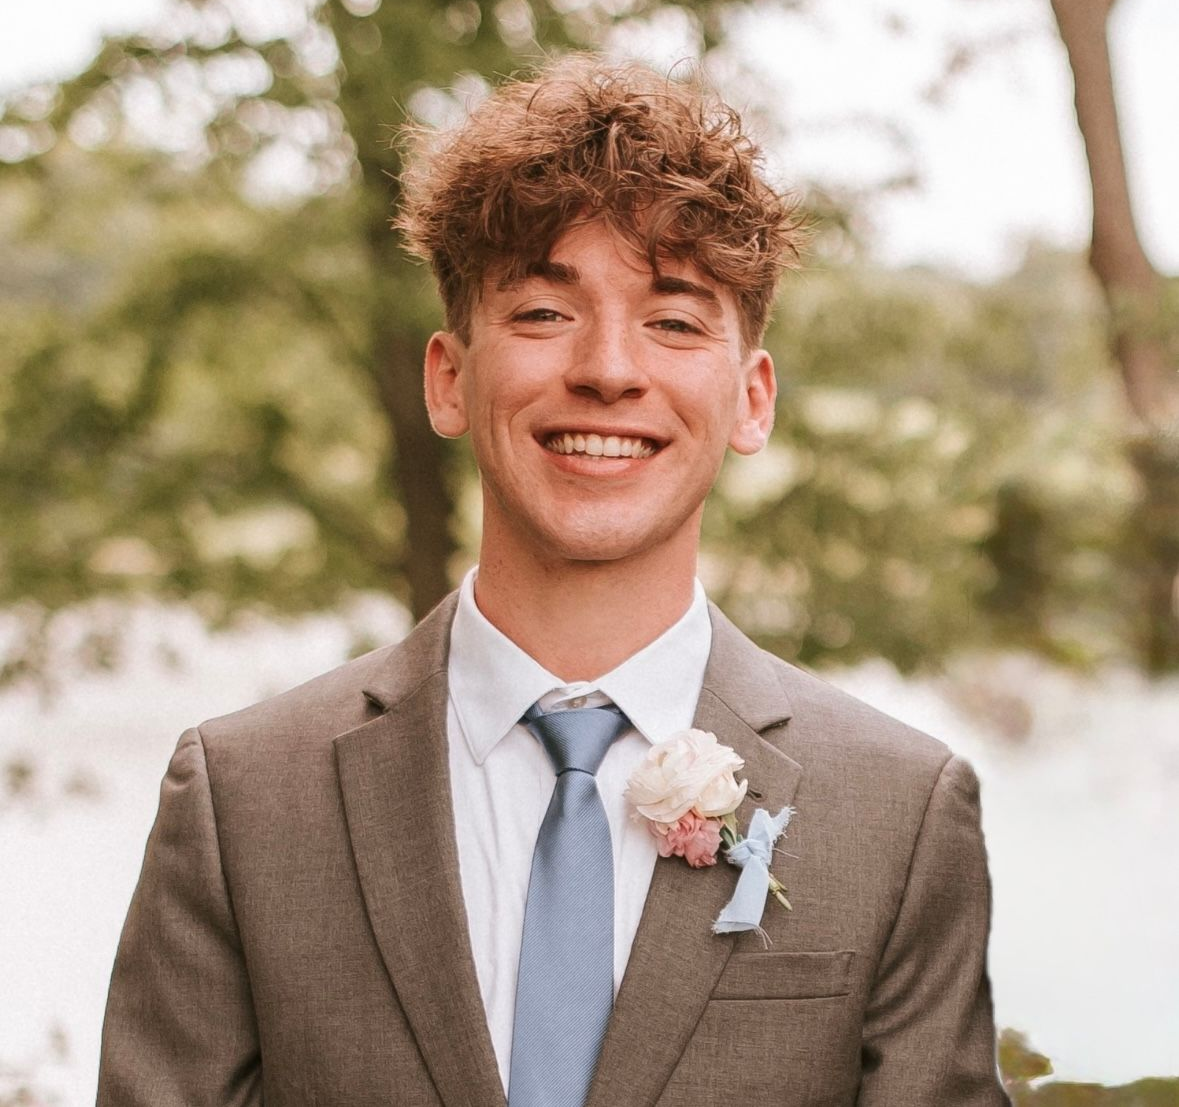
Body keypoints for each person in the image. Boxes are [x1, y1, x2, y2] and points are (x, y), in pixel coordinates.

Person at [98, 55, 1010, 1107]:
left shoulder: (897, 812)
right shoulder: (243, 800)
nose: (608, 369)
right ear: (449, 376)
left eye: (673, 319)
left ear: (752, 399)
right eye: (542, 313)